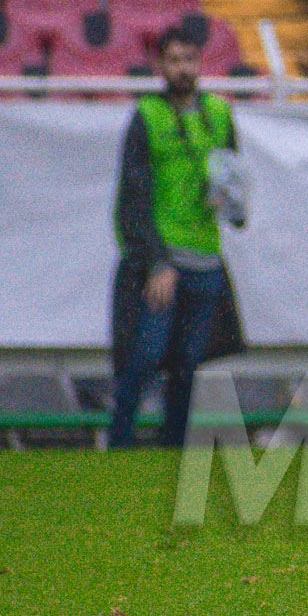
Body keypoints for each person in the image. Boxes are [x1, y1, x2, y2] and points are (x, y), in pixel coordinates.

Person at [109, 23, 246, 448]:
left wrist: (234, 206)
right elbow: (132, 198)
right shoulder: (147, 116)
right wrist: (156, 262)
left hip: (206, 259)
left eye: (189, 59)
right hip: (166, 261)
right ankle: (117, 446)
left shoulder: (219, 113)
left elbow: (234, 177)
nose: (183, 68)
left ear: (200, 63)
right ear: (160, 66)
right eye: (173, 60)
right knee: (144, 357)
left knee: (188, 365)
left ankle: (173, 452)